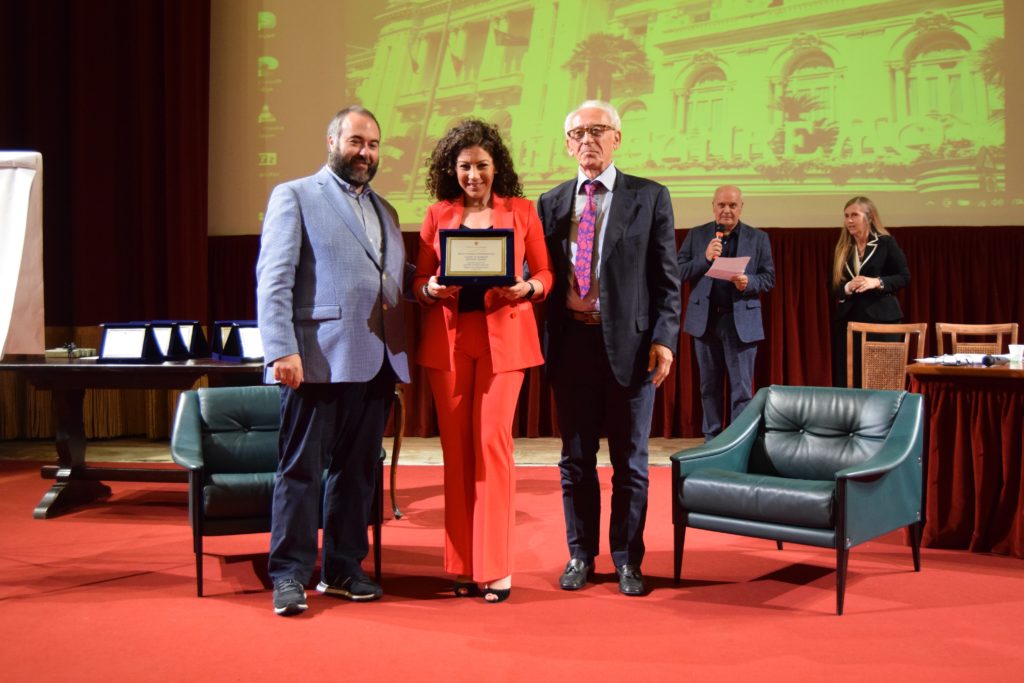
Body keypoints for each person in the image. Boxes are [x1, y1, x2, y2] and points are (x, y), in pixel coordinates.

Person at [256, 105, 410, 616]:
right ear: (332, 142)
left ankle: (343, 568)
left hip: (375, 360)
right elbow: (274, 278)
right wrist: (281, 348)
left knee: (358, 472)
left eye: (373, 145)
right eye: (356, 142)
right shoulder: (295, 195)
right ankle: (289, 574)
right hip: (315, 359)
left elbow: (389, 280)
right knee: (300, 472)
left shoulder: (387, 210)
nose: (365, 153)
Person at [538, 100, 680, 597]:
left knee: (630, 464)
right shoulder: (551, 202)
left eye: (598, 130)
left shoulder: (650, 197)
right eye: (578, 133)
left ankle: (627, 559)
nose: (587, 140)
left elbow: (667, 280)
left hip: (632, 347)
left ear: (617, 138)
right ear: (567, 144)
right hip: (571, 345)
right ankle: (580, 554)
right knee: (575, 461)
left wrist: (664, 339)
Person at [414, 119, 552, 603]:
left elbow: (546, 272)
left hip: (505, 340)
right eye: (465, 166)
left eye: (482, 166)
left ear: (497, 167)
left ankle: (495, 567)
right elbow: (420, 281)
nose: (473, 175)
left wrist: (528, 287)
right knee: (457, 453)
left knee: (492, 446)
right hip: (449, 343)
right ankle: (462, 565)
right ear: (451, 170)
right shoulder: (437, 214)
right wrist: (430, 289)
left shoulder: (522, 211)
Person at [678, 186, 775, 442]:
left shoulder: (758, 238)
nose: (727, 210)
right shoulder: (697, 235)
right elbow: (678, 271)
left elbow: (768, 277)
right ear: (713, 207)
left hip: (740, 320)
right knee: (709, 387)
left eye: (732, 205)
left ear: (741, 207)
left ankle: (737, 442)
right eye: (721, 205)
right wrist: (705, 258)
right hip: (706, 321)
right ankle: (712, 441)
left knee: (741, 389)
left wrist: (749, 282)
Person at [830, 196, 910, 387]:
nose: (849, 220)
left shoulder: (885, 243)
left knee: (881, 377)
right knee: (851, 378)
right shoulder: (842, 248)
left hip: (882, 319)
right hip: (850, 320)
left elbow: (904, 277)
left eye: (854, 215)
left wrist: (877, 282)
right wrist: (848, 287)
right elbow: (833, 286)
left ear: (869, 217)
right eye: (846, 216)